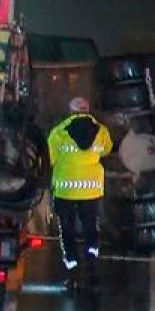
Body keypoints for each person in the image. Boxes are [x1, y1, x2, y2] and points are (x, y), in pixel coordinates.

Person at [48, 97, 112, 272]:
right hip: (91, 189)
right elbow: (107, 150)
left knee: (67, 226)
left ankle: (71, 261)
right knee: (90, 223)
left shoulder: (58, 133)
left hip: (65, 189)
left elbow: (50, 159)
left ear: (70, 112)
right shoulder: (102, 132)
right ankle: (92, 254)